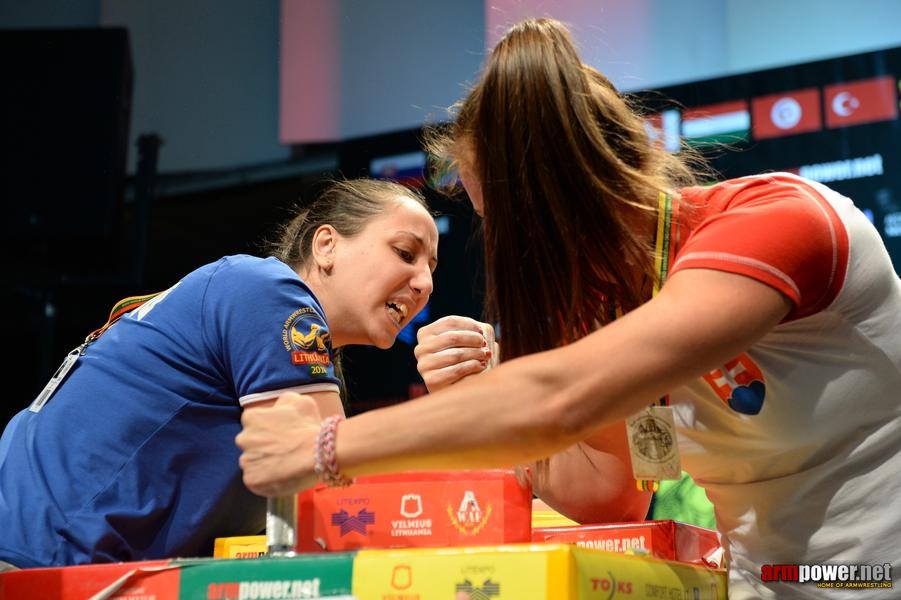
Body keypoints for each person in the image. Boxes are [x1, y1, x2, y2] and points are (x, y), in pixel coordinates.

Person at [236, 19, 901, 599]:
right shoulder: (608, 306)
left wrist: (326, 446)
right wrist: (484, 388)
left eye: (499, 219)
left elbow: (557, 399)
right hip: (763, 584)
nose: (500, 245)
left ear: (557, 192)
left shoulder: (778, 222)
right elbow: (609, 495)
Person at [0, 178, 438, 567]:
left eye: (432, 268)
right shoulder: (269, 291)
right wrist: (456, 404)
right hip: (38, 562)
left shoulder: (256, 309)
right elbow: (340, 500)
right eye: (405, 253)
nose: (425, 284)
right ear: (326, 245)